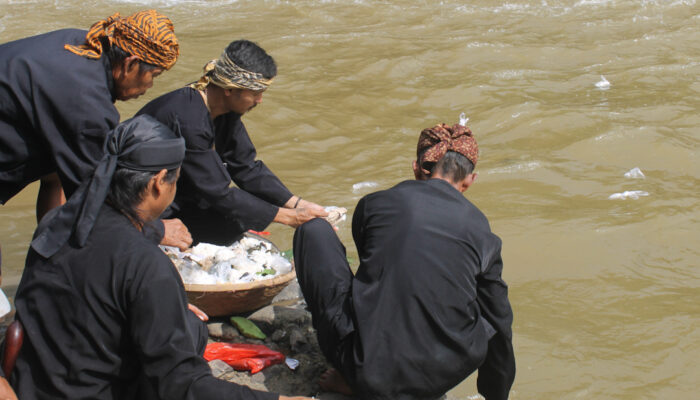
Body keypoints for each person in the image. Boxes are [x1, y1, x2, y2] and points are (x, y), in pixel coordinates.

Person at [10, 115, 312, 400]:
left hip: (33, 383)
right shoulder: (145, 264)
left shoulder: (57, 223)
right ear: (158, 182)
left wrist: (161, 305)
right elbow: (183, 385)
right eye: (176, 179)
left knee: (185, 324)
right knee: (189, 332)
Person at [292, 122, 516, 399]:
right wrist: (497, 394)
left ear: (415, 167)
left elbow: (373, 270)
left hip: (367, 369)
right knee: (493, 309)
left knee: (312, 231)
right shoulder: (483, 232)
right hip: (441, 376)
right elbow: (501, 323)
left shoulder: (375, 203)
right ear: (470, 180)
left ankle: (358, 379)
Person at [0, 10, 191, 253]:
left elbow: (60, 174)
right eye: (153, 75)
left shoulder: (84, 44)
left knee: (55, 171)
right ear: (131, 63)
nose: (149, 86)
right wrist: (156, 229)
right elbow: (96, 195)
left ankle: (52, 258)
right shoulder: (86, 104)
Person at [137, 39, 327, 245]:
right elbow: (218, 191)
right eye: (255, 93)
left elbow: (246, 167)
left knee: (232, 226)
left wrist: (297, 204)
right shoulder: (189, 121)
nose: (259, 100)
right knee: (228, 221)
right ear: (229, 89)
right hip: (144, 201)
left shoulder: (224, 110)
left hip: (180, 192)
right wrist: (289, 217)